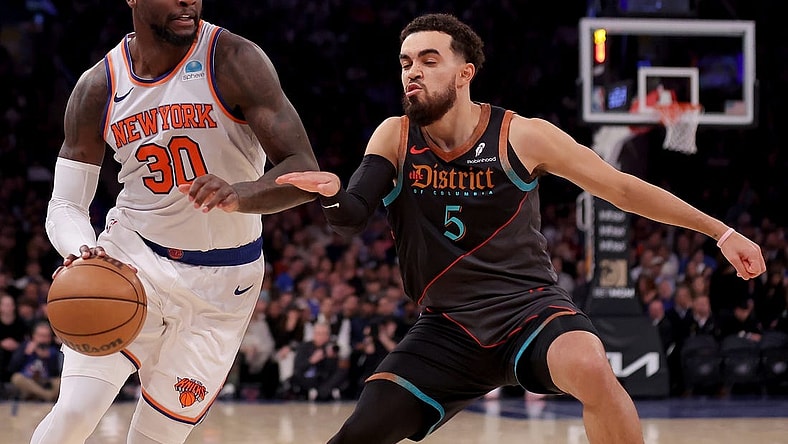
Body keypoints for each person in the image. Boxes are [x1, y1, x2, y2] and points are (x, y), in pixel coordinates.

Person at [276, 13, 767, 444]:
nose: (412, 73)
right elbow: (351, 215)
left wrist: (720, 231)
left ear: (465, 73)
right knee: (356, 436)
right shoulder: (396, 135)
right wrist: (332, 194)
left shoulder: (522, 134)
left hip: (529, 309)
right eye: (405, 63)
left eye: (428, 60)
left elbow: (620, 189)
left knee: (591, 366)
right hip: (448, 326)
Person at [33, 0, 319, 442]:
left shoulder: (234, 59)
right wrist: (79, 251)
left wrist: (240, 194)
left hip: (224, 285)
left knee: (155, 439)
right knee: (73, 414)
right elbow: (65, 205)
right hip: (131, 262)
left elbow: (304, 172)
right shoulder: (99, 86)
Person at [8, 321, 62, 402]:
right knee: (16, 378)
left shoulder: (54, 350)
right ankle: (47, 396)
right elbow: (12, 368)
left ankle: (40, 396)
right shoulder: (25, 346)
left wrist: (49, 359)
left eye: (46, 336)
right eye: (40, 336)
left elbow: (57, 373)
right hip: (28, 381)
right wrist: (25, 354)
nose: (43, 339)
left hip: (46, 381)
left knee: (59, 382)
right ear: (34, 336)